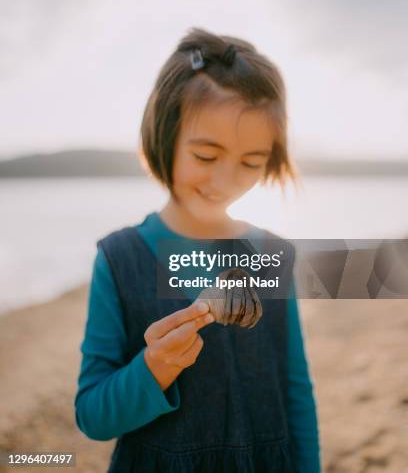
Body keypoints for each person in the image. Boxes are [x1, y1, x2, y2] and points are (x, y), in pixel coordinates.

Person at [75, 28, 321, 472]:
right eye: (207, 156)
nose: (226, 181)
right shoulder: (119, 258)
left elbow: (296, 390)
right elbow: (92, 416)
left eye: (251, 162)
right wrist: (153, 368)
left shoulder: (272, 255)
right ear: (164, 136)